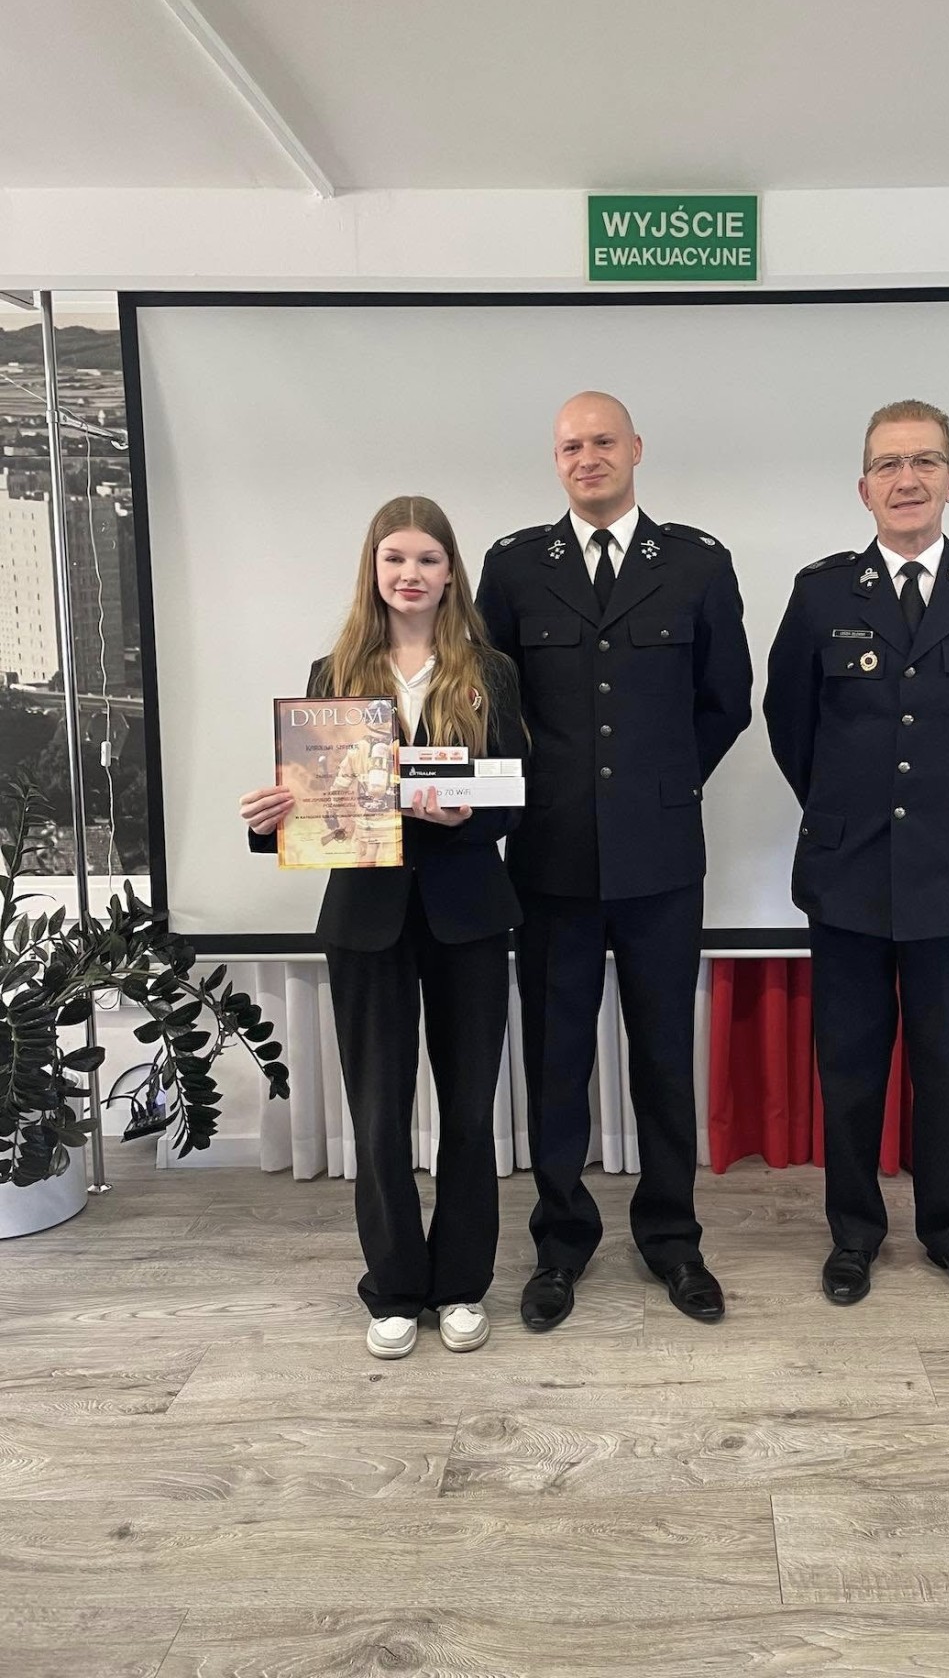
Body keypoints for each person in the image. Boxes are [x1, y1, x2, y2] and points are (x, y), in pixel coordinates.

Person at [476, 392, 753, 1331]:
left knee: (664, 1058)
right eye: (570, 446)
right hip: (550, 855)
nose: (587, 457)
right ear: (554, 460)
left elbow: (726, 699)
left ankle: (672, 1239)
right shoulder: (515, 567)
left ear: (636, 449)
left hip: (661, 856)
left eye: (603, 442)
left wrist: (660, 782)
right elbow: (489, 702)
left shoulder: (696, 563)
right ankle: (561, 1243)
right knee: (555, 1061)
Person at [763, 400, 949, 1311]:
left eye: (924, 462)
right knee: (848, 1068)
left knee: (946, 1067)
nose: (906, 479)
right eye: (888, 464)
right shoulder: (822, 593)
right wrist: (843, 812)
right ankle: (854, 1236)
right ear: (864, 488)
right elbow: (789, 723)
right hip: (846, 870)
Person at [240, 496, 523, 1359]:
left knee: (468, 1111)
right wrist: (271, 822)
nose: (411, 574)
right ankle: (395, 1288)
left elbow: (513, 795)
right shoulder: (332, 673)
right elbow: (320, 805)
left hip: (469, 914)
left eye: (428, 559)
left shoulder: (490, 671)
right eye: (395, 558)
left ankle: (461, 1285)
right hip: (366, 918)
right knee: (378, 1111)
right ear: (374, 568)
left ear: (451, 573)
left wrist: (463, 818)